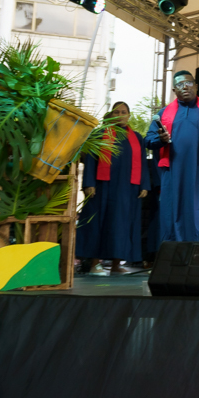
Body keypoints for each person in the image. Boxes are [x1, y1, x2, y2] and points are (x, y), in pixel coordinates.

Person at [144, 71, 199, 242]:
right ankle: (176, 253)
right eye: (179, 84)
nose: (185, 87)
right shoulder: (163, 113)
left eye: (189, 83)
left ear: (196, 86)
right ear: (174, 90)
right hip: (174, 171)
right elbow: (148, 140)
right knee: (175, 211)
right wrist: (159, 140)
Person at [77, 101, 150, 275]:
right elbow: (90, 160)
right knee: (98, 224)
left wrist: (144, 184)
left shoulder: (137, 138)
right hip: (103, 188)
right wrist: (89, 183)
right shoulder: (100, 134)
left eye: (124, 112)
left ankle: (117, 264)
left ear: (128, 115)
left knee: (122, 226)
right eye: (116, 112)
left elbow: (143, 163)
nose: (120, 115)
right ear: (111, 115)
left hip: (128, 189)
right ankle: (94, 263)